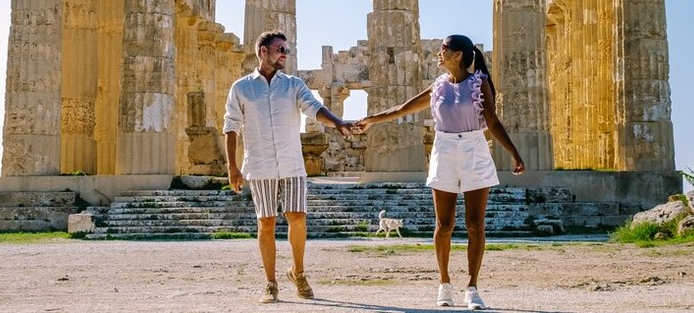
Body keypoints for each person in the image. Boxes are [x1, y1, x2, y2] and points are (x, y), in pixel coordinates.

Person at [353, 34, 524, 310]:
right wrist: (373, 119)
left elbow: (492, 121)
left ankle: (472, 288)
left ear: (458, 55)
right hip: (444, 150)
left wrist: (514, 152)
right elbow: (404, 108)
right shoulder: (439, 86)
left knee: (475, 224)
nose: (438, 53)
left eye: (443, 49)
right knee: (444, 225)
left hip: (474, 149)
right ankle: (444, 284)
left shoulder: (479, 82)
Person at [223, 30, 354, 304]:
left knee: (297, 216)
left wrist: (337, 123)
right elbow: (231, 127)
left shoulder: (293, 85)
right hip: (259, 165)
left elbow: (313, 108)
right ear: (263, 51)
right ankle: (270, 283)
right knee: (266, 222)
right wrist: (232, 167)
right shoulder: (241, 88)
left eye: (287, 50)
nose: (285, 54)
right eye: (280, 49)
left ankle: (298, 272)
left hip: (292, 163)